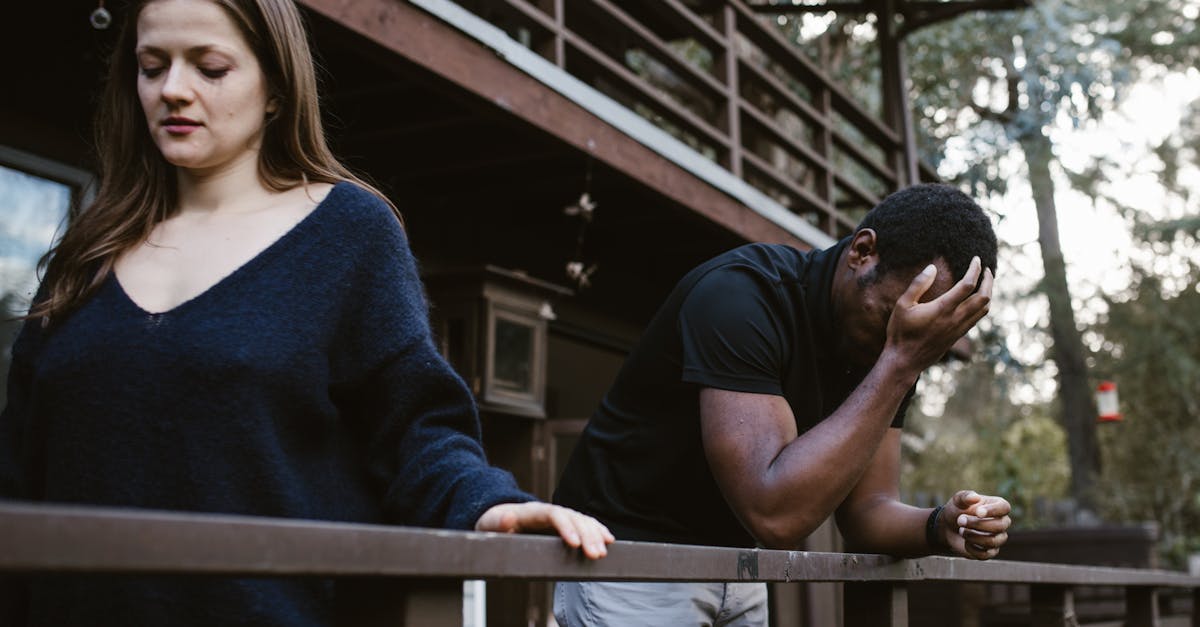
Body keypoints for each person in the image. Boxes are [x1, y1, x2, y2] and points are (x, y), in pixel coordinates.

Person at [0, 0, 612, 625]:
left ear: (275, 88)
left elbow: (413, 427)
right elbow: (19, 464)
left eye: (210, 68)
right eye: (152, 66)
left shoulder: (348, 234)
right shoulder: (88, 252)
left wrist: (486, 502)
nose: (173, 90)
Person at [553, 183, 1012, 626]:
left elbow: (867, 510)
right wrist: (900, 362)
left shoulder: (897, 348)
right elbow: (775, 514)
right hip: (633, 559)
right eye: (891, 319)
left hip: (739, 566)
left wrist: (939, 526)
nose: (896, 343)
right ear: (862, 252)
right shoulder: (741, 297)